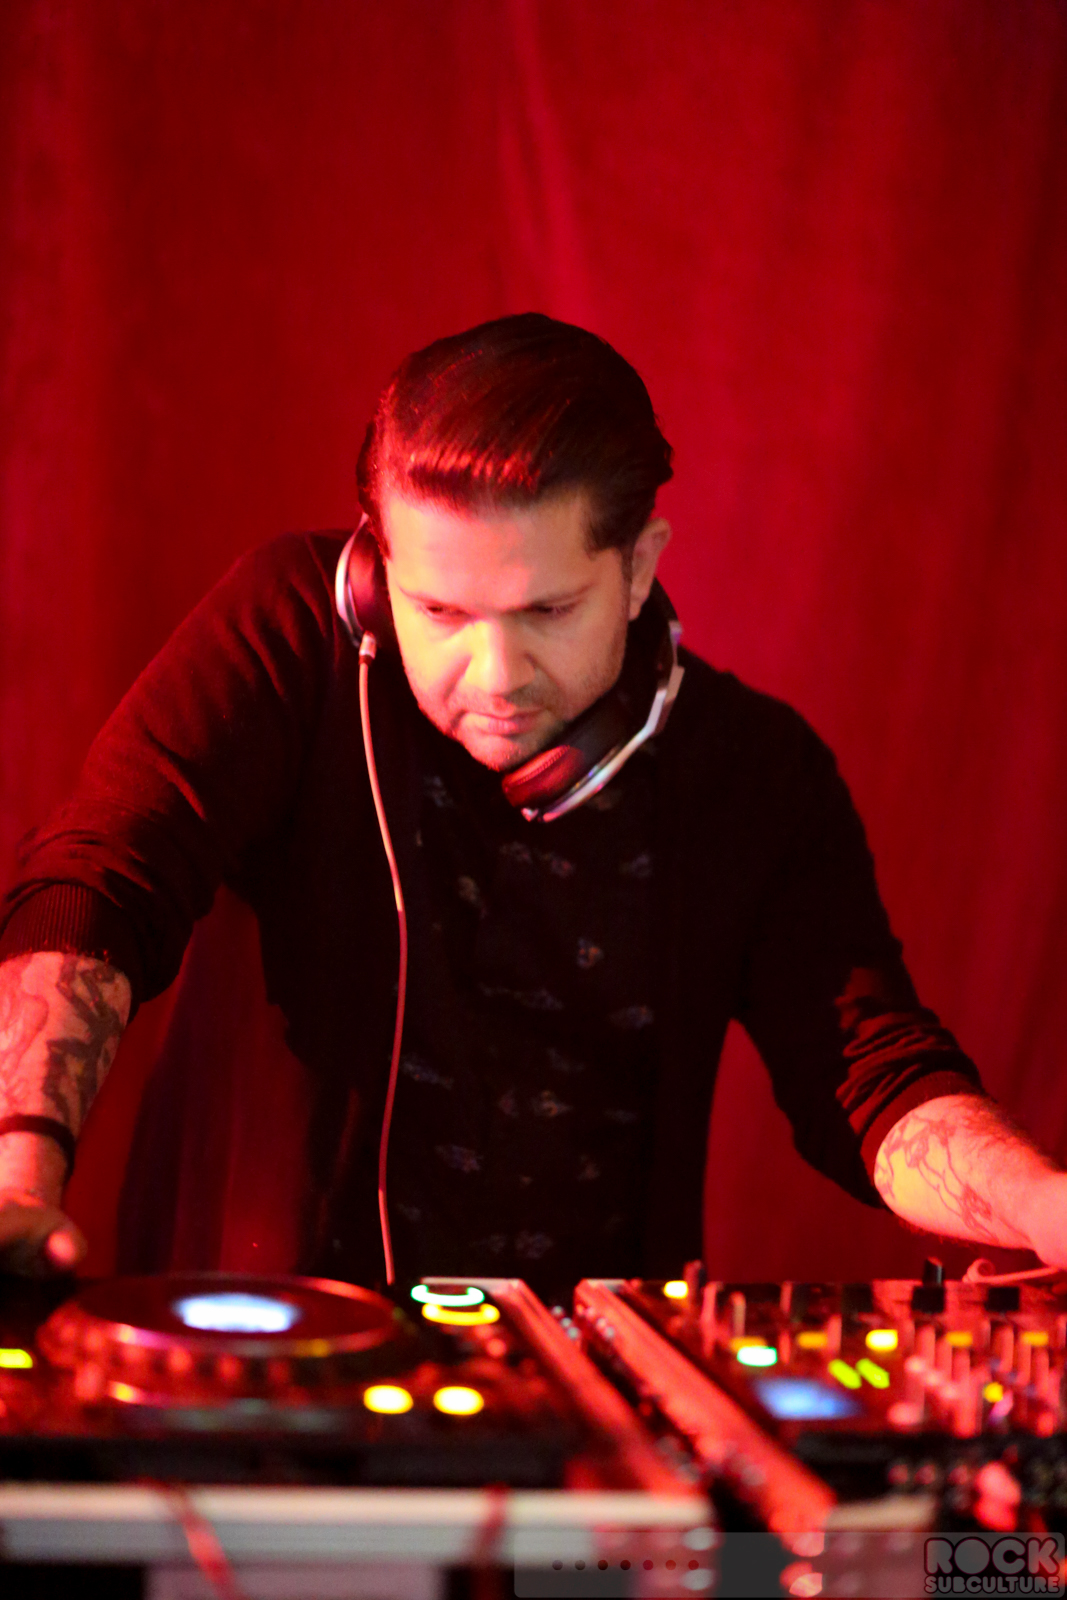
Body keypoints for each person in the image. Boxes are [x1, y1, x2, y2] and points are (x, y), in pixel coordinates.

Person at [1, 313, 1064, 1298]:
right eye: (439, 611)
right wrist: (19, 1175)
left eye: (547, 610)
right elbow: (100, 881)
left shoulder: (755, 774)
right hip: (261, 1352)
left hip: (590, 1393)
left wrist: (1042, 1206)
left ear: (638, 567)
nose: (495, 674)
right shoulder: (288, 640)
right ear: (375, 572)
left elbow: (869, 1074)